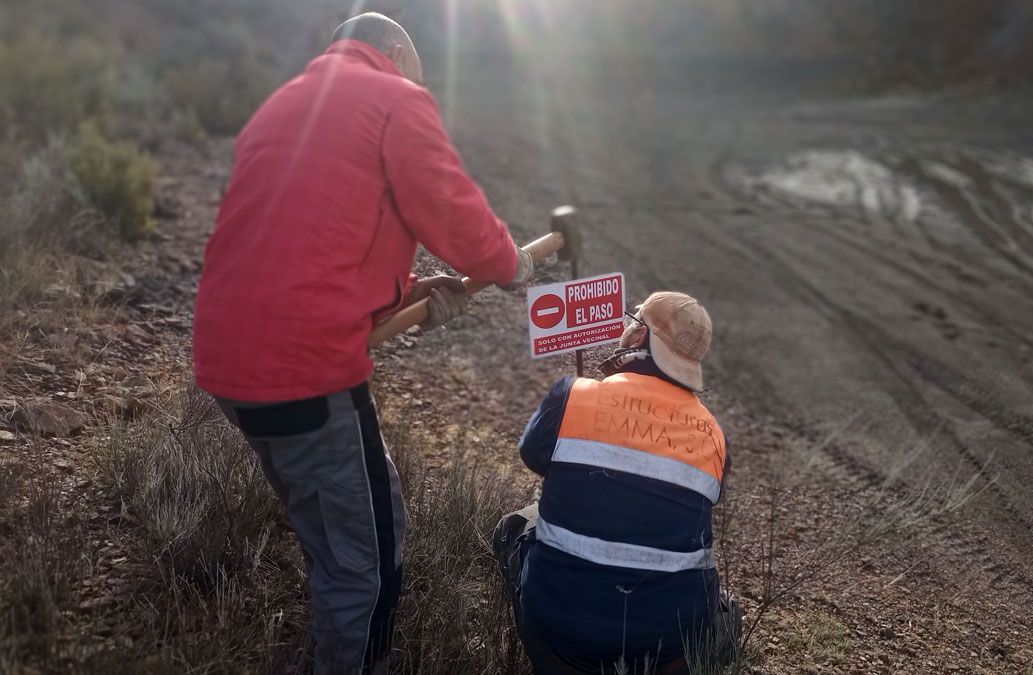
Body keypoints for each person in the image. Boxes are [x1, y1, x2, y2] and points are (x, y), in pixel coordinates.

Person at [191, 12, 532, 675]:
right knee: (369, 559)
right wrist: (514, 266)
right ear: (396, 53)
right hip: (304, 373)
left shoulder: (285, 102)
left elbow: (308, 242)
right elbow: (454, 210)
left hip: (230, 360)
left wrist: (403, 291)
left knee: (333, 531)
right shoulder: (394, 97)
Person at [494, 292, 741, 674]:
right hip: (669, 653)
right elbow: (706, 497)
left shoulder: (571, 394)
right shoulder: (714, 435)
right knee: (729, 611)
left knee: (514, 526)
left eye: (633, 321)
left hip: (561, 641)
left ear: (640, 337)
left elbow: (532, 456)